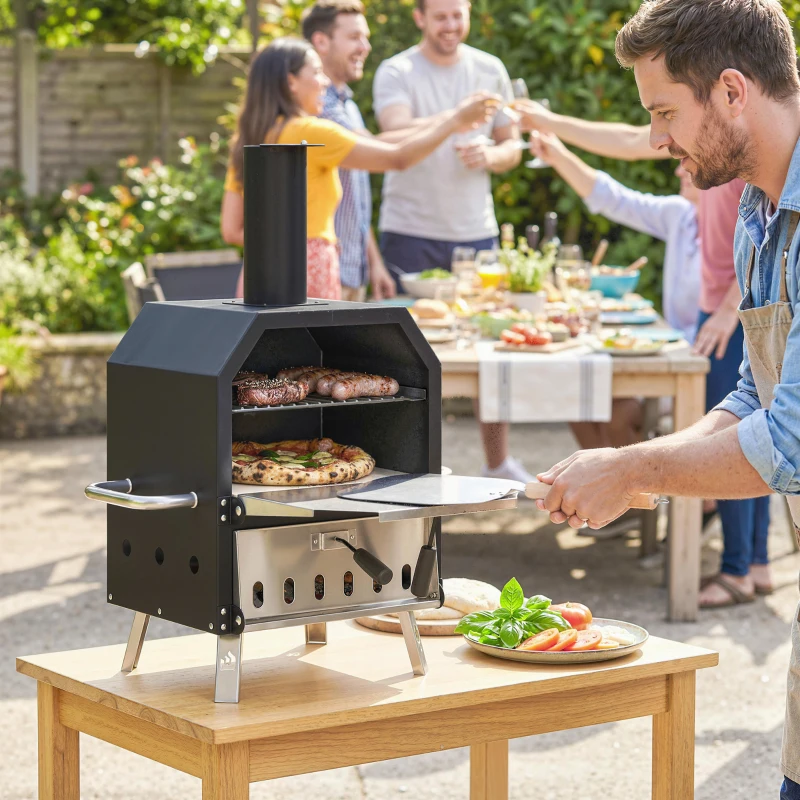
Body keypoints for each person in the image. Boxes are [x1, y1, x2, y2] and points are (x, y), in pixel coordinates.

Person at [531, 1, 800, 795]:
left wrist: (631, 468)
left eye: (664, 113)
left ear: (731, 92)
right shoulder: (756, 207)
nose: (656, 140)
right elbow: (756, 389)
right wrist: (634, 466)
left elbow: (790, 442)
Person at [518, 84, 773, 604]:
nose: (668, 151)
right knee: (750, 418)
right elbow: (615, 183)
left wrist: (727, 310)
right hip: (716, 320)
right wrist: (554, 137)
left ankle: (739, 568)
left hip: (727, 322)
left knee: (742, 431)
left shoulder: (734, 167)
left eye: (668, 121)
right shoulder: (689, 204)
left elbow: (757, 248)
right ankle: (754, 563)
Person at [372, 0, 531, 484]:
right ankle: (407, 466)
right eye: (440, 16)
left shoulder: (489, 69)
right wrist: (457, 117)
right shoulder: (397, 71)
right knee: (405, 355)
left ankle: (497, 462)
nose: (451, 25)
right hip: (410, 231)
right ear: (419, 17)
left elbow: (513, 145)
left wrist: (492, 155)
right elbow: (393, 134)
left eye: (458, 15)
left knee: (489, 353)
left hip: (475, 230)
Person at [220, 37, 497, 300]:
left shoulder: (250, 139)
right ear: (291, 81)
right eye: (316, 72)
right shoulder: (311, 132)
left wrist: (279, 245)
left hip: (258, 275)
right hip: (310, 274)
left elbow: (231, 230)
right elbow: (397, 158)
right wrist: (454, 121)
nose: (325, 81)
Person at [528, 131, 701, 454]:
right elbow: (615, 199)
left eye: (688, 160)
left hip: (694, 365)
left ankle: (629, 482)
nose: (679, 170)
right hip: (667, 350)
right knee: (576, 394)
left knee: (617, 410)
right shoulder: (681, 215)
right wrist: (558, 155)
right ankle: (611, 482)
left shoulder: (738, 230)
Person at [301, 0, 395, 302]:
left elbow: (353, 202)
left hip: (354, 272)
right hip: (326, 275)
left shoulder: (348, 106)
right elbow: (390, 153)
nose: (365, 47)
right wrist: (453, 120)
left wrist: (374, 262)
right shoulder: (319, 109)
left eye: (365, 37)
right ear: (321, 42)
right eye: (355, 37)